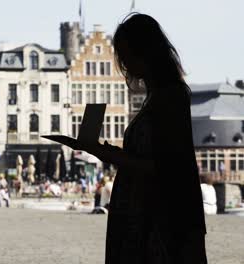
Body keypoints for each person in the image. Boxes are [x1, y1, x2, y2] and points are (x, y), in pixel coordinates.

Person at [83, 13, 207, 263]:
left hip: (158, 220)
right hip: (145, 217)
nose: (125, 63)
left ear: (146, 52)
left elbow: (168, 167)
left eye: (128, 54)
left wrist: (112, 156)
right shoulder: (156, 96)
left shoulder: (170, 96)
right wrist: (115, 155)